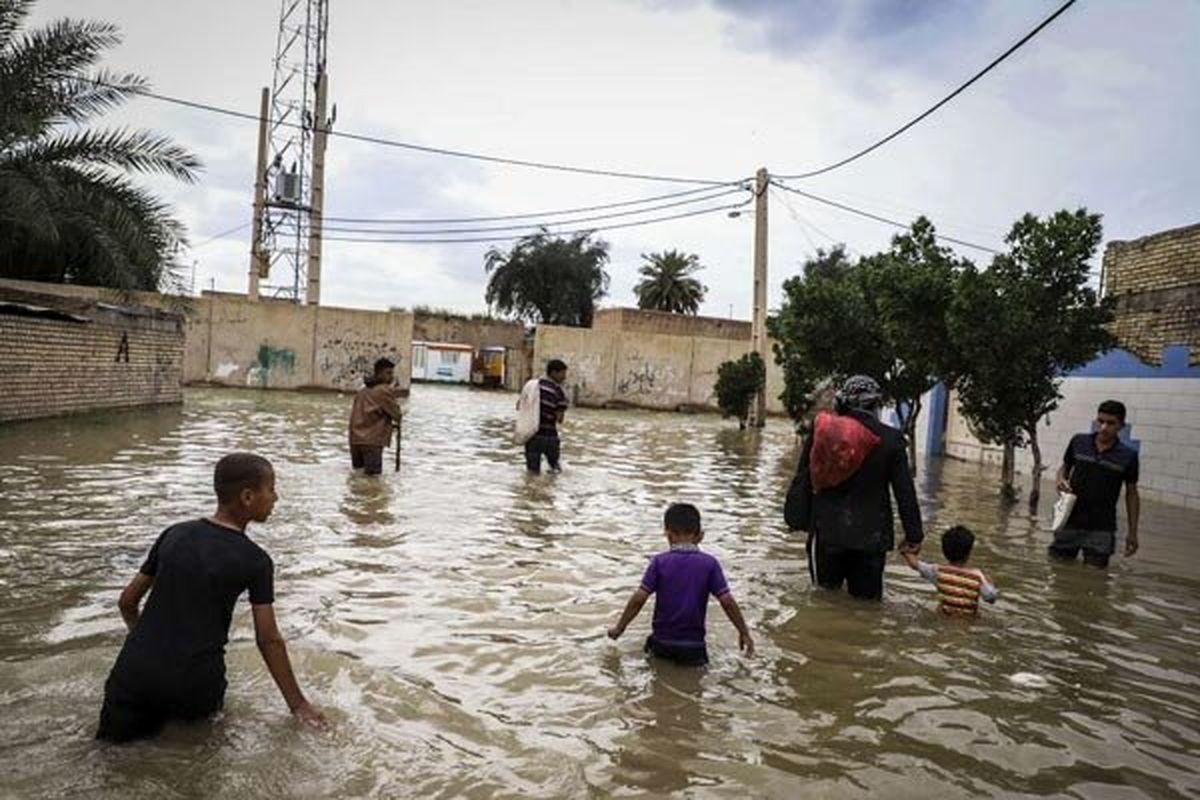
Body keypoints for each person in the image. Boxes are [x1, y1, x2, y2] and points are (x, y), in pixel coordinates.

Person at [96, 453, 325, 742]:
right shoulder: (256, 561)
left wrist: (150, 649)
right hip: (193, 684)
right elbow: (268, 639)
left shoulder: (174, 534)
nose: (275, 498)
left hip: (133, 675)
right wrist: (299, 705)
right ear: (247, 496)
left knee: (108, 761)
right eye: (271, 489)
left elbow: (127, 602)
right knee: (193, 773)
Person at [784, 374, 924, 601]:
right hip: (872, 539)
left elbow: (804, 478)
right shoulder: (891, 440)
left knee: (823, 601)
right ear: (876, 403)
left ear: (842, 402)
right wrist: (913, 536)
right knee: (867, 608)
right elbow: (905, 493)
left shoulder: (823, 432)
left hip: (827, 534)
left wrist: (797, 517)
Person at [608, 503, 754, 666]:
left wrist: (619, 628)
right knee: (695, 687)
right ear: (700, 536)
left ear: (668, 535)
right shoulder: (709, 564)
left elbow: (639, 599)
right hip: (694, 647)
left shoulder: (659, 562)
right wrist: (744, 632)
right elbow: (727, 601)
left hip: (661, 643)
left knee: (657, 683)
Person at [1051, 399, 1140, 568]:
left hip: (1102, 528)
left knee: (1095, 579)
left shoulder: (1128, 456)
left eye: (1111, 423)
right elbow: (1064, 468)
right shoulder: (1079, 441)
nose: (1104, 427)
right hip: (1069, 521)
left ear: (1121, 425)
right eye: (1101, 421)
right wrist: (1060, 480)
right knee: (1058, 571)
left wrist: (1132, 533)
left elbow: (1132, 493)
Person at [900, 525, 997, 616]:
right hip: (967, 620)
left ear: (944, 551)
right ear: (969, 553)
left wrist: (905, 551)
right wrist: (990, 583)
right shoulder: (977, 576)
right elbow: (990, 598)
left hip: (943, 616)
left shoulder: (938, 571)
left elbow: (915, 564)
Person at [349, 357, 403, 476]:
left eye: (392, 373)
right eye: (388, 373)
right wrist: (392, 391)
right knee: (373, 479)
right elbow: (397, 414)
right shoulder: (384, 391)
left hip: (355, 440)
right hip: (371, 442)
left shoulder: (362, 391)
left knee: (358, 475)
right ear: (379, 374)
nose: (391, 377)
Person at [521, 359, 569, 474]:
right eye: (562, 373)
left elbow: (520, 406)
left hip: (532, 435)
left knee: (532, 472)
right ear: (553, 373)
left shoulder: (532, 386)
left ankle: (532, 490)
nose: (564, 377)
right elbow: (559, 419)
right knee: (555, 470)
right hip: (550, 436)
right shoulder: (559, 392)